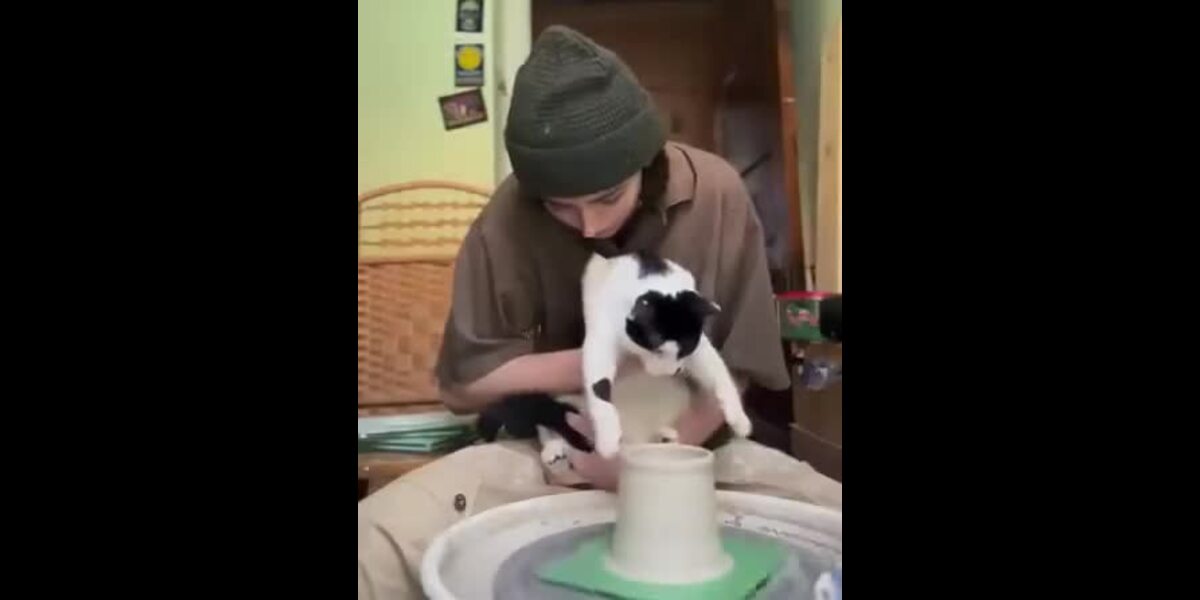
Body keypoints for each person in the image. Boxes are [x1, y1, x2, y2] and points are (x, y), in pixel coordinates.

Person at [358, 25, 841, 599]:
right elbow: (464, 386)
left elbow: (737, 365)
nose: (588, 227)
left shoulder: (717, 193)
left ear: (647, 163)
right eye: (560, 208)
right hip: (552, 455)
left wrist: (655, 462)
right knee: (373, 541)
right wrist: (604, 363)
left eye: (608, 198)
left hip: (695, 450)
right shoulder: (506, 218)